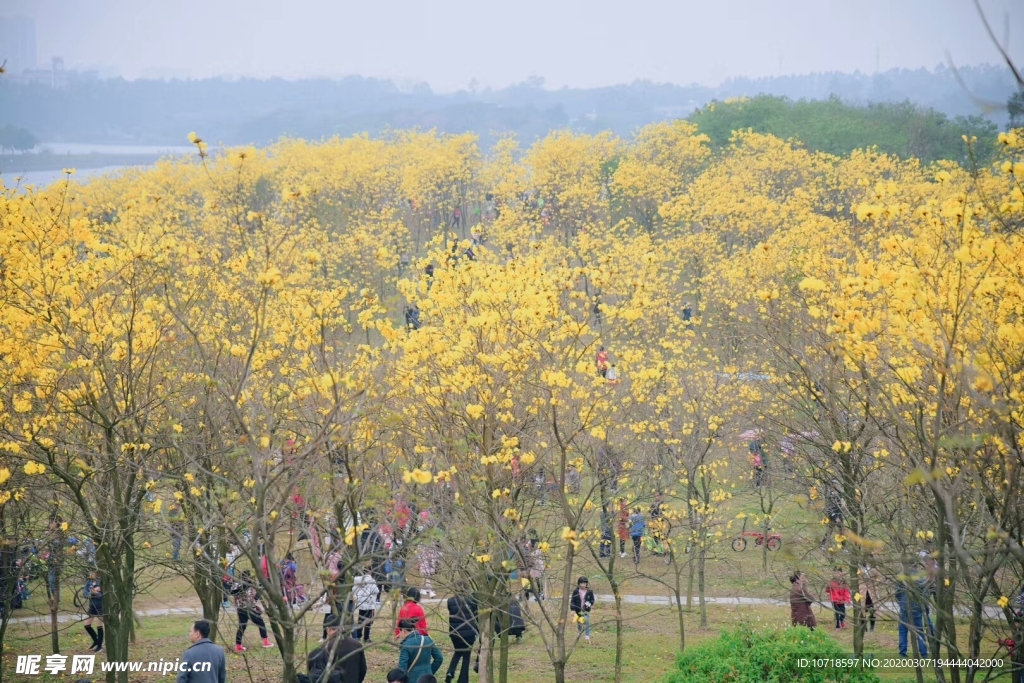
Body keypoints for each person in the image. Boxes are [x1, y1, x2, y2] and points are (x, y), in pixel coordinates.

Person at [305, 614, 367, 683]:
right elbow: (363, 669)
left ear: (328, 629)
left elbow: (320, 671)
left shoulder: (327, 647)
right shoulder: (357, 644)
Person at [232, 571, 273, 652]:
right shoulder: (246, 585)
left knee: (242, 626)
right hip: (248, 608)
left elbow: (233, 593)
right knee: (261, 623)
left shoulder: (237, 584)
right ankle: (265, 642)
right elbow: (253, 598)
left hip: (240, 609)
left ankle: (238, 645)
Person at [396, 618, 443, 683]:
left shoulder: (406, 645)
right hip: (428, 679)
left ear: (403, 630)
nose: (399, 634)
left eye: (399, 631)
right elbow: (439, 658)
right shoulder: (428, 639)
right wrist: (430, 671)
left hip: (412, 679)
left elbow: (402, 668)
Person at [445, 590, 478, 683]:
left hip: (455, 632)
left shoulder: (450, 601)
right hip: (469, 632)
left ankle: (450, 672)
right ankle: (463, 679)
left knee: (458, 652)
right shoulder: (471, 600)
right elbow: (475, 614)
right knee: (467, 655)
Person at [352, 565, 378, 644]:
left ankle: (358, 635)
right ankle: (366, 638)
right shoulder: (372, 580)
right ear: (370, 571)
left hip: (361, 603)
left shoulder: (357, 579)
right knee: (368, 622)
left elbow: (353, 588)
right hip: (369, 604)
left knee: (360, 620)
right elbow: (376, 591)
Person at [859, 558, 882, 632]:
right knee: (861, 608)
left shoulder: (875, 568)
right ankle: (863, 625)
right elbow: (857, 577)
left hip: (872, 591)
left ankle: (872, 626)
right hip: (862, 591)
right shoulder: (859, 568)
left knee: (873, 608)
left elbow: (879, 578)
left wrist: (876, 583)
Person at [83, 571, 104, 652]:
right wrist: (92, 593)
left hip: (100, 605)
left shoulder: (102, 581)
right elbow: (85, 594)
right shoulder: (89, 582)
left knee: (99, 625)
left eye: (93, 572)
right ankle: (96, 640)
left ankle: (100, 645)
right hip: (92, 605)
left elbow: (104, 594)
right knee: (87, 625)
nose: (91, 574)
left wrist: (97, 593)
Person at [570, 577, 595, 643]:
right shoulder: (576, 591)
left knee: (586, 621)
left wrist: (589, 603)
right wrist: (572, 609)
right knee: (579, 622)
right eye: (581, 583)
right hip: (578, 609)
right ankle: (579, 632)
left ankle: (587, 635)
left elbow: (592, 600)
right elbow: (573, 600)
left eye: (584, 583)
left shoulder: (589, 591)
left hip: (586, 610)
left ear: (586, 584)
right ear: (579, 584)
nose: (583, 585)